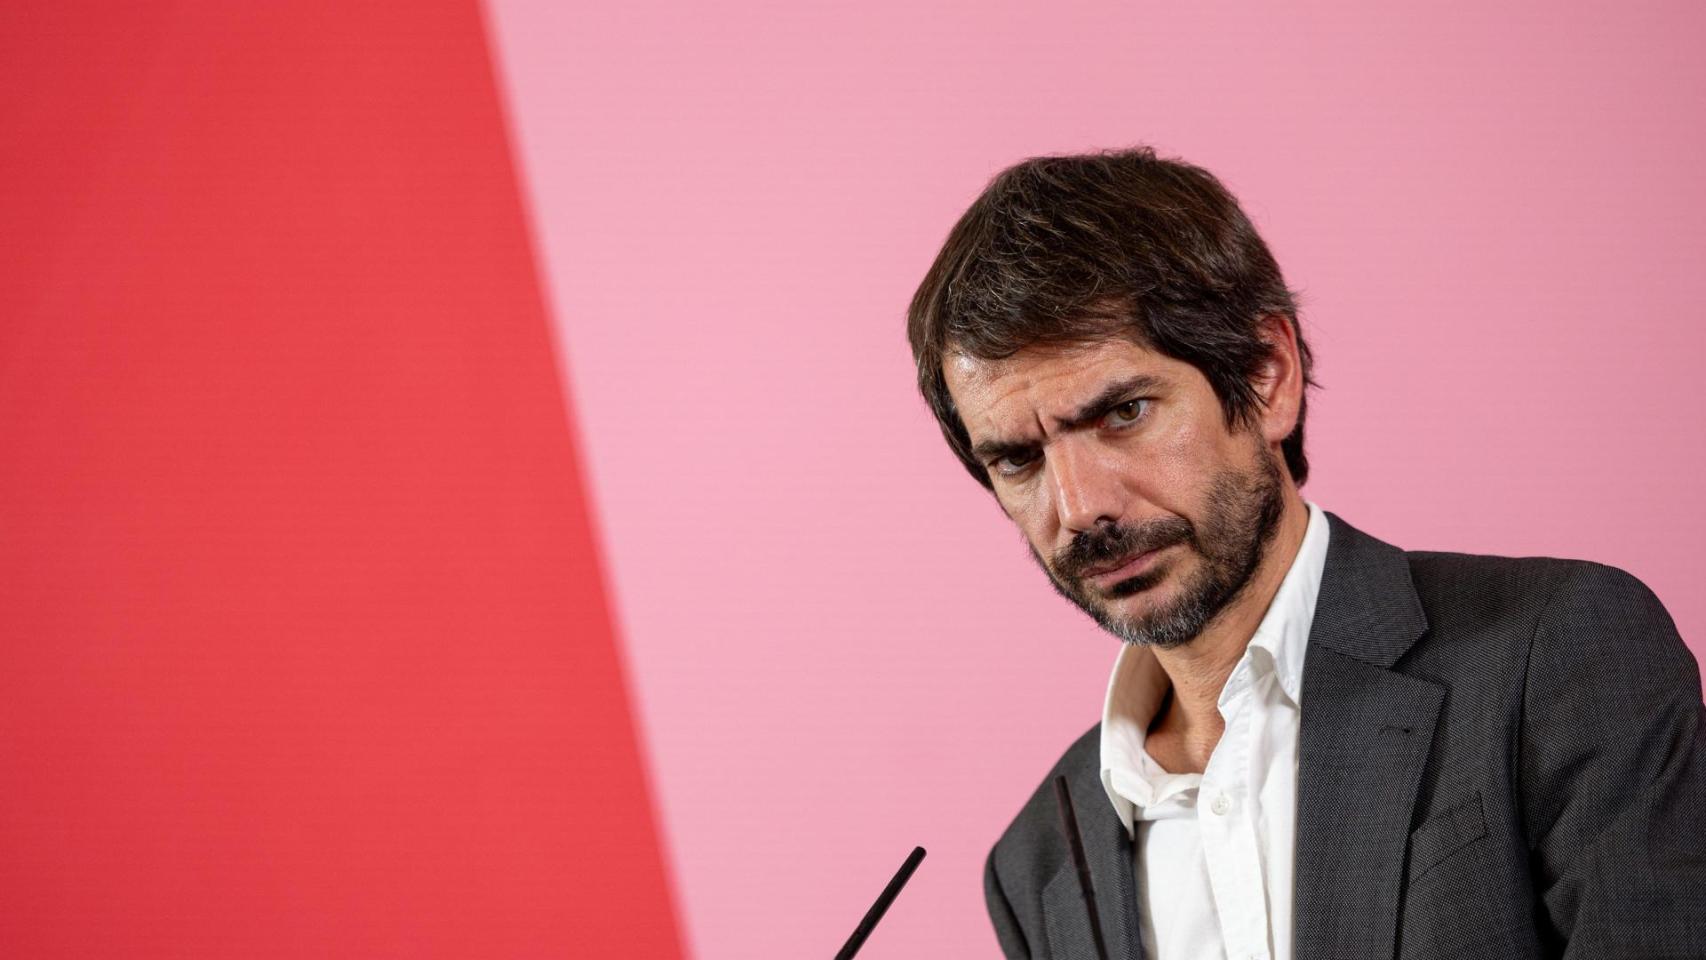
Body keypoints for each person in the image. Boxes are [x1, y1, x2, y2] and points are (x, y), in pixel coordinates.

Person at [905, 147, 1706, 959]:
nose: (1080, 508)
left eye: (1125, 413)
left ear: (1268, 377)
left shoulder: (1558, 660)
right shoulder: (1035, 864)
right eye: (1019, 459)